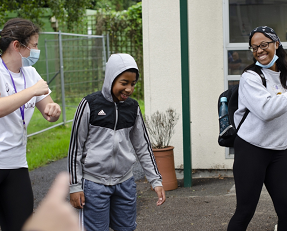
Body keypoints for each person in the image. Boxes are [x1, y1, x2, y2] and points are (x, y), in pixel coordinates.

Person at [227, 26, 287, 231]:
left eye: (263, 45)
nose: (259, 50)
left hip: (279, 152)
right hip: (251, 150)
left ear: (276, 44)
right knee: (245, 211)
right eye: (254, 47)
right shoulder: (250, 77)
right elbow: (265, 110)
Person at [68, 53, 166, 231]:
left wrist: (155, 180)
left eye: (133, 83)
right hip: (94, 184)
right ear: (110, 79)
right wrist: (75, 186)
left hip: (124, 183)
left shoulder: (133, 108)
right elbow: (75, 148)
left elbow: (143, 147)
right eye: (124, 83)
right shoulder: (89, 105)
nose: (129, 89)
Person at [0, 18, 61, 231]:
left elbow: (48, 110)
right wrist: (31, 92)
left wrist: (54, 111)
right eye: (33, 45)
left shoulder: (31, 74)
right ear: (17, 45)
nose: (36, 50)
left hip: (16, 164)